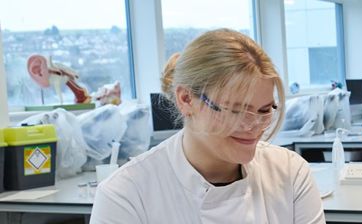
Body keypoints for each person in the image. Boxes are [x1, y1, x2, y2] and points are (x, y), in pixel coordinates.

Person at [91, 29, 325, 224]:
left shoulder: (289, 172)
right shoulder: (125, 195)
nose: (253, 126)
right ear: (186, 99)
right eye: (236, 110)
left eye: (264, 110)